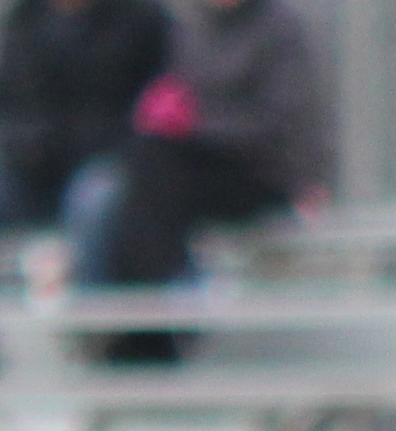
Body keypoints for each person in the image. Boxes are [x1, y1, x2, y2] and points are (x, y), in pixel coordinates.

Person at [0, 0, 171, 371]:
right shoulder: (23, 19)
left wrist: (92, 148)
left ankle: (97, 335)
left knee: (95, 201)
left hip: (107, 167)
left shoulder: (141, 18)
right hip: (32, 174)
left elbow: (153, 109)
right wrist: (24, 148)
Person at [94, 0, 331, 347]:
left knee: (146, 178)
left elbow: (278, 123)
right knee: (136, 174)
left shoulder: (278, 27)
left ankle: (158, 311)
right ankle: (157, 306)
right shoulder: (192, 28)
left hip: (258, 173)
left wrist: (196, 127)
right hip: (201, 165)